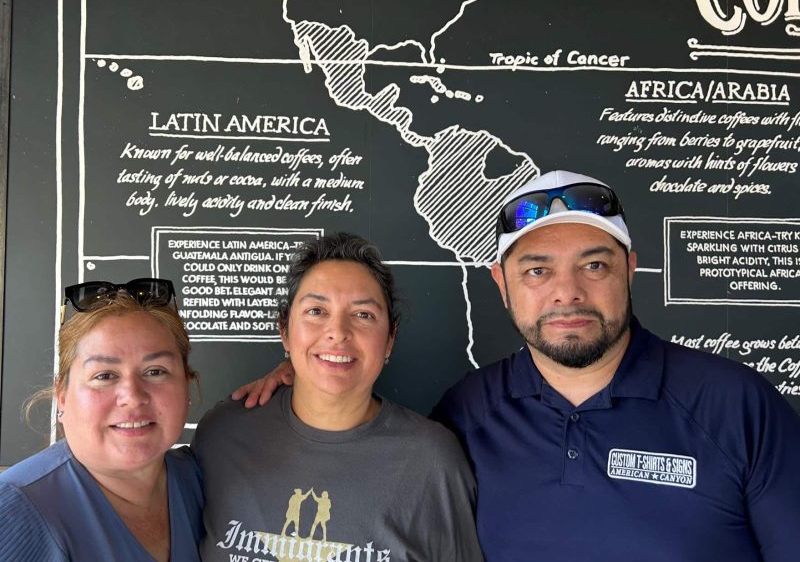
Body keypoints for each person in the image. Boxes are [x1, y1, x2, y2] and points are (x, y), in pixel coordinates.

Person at [244, 171, 800, 561]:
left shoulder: (738, 407)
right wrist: (310, 377)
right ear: (501, 283)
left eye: (595, 266)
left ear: (630, 269)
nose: (567, 292)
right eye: (537, 270)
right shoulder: (465, 415)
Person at [194, 233, 483, 561]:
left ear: (390, 339)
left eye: (363, 315)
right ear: (284, 330)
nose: (338, 332)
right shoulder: (222, 435)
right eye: (316, 310)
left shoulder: (433, 463)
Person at [0, 279, 203, 561]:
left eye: (155, 371)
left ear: (186, 387)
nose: (132, 396)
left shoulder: (202, 480)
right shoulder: (12, 513)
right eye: (104, 375)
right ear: (62, 396)